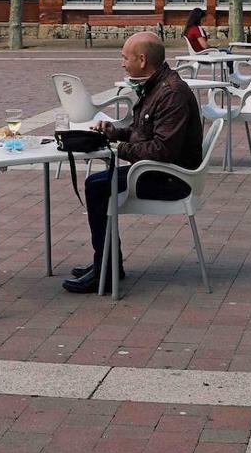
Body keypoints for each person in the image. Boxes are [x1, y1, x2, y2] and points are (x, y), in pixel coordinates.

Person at [62, 31, 204, 294]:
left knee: (97, 186)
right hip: (159, 171)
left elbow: (162, 150)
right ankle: (107, 263)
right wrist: (113, 132)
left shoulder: (171, 93)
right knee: (98, 184)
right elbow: (144, 132)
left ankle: (106, 269)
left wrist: (118, 148)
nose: (122, 63)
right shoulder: (155, 86)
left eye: (125, 58)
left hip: (173, 178)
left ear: (142, 59)